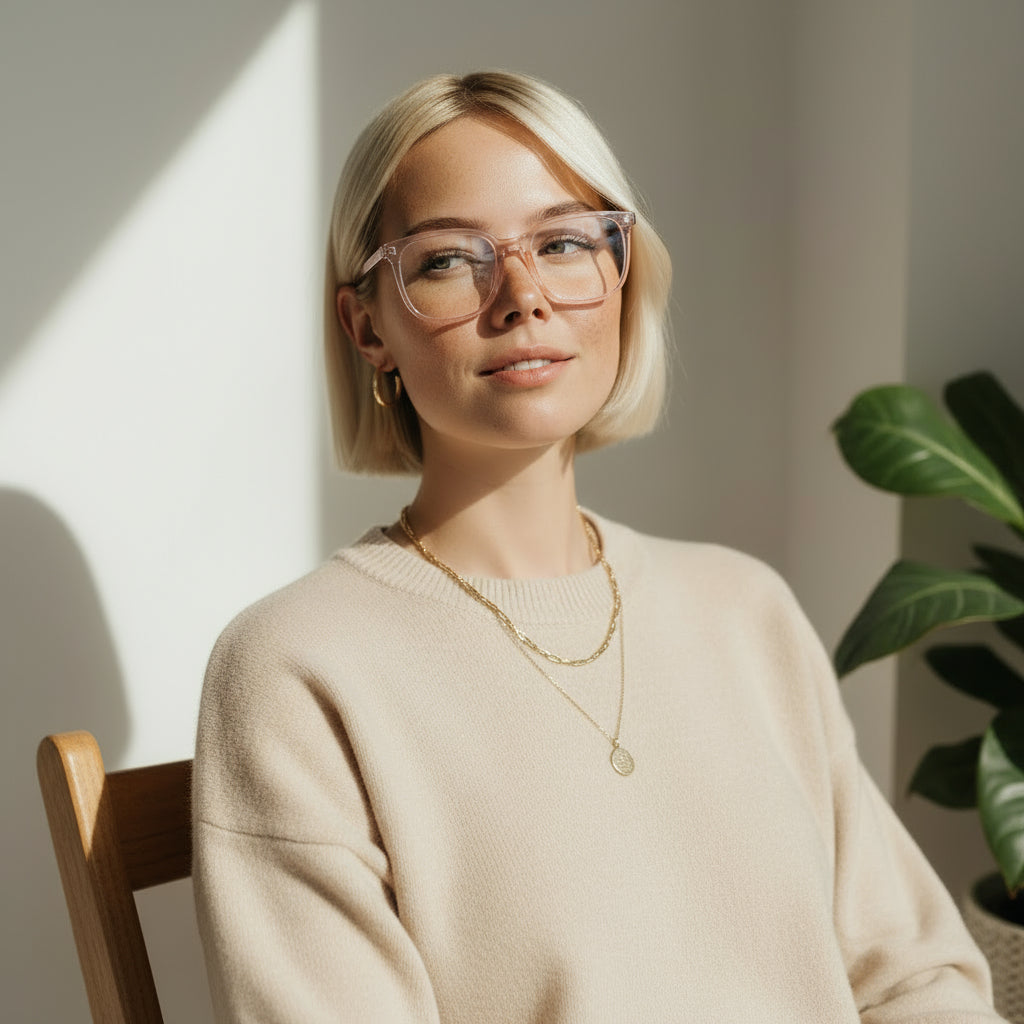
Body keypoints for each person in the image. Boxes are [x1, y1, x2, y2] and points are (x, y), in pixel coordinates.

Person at [192, 71, 1006, 1022]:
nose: (523, 297)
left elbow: (917, 979)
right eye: (450, 260)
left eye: (566, 241)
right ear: (367, 323)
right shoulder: (296, 669)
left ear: (621, 273)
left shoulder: (745, 609)